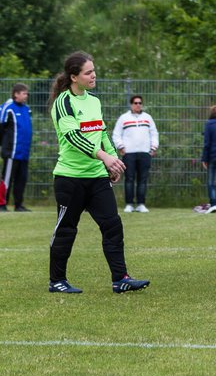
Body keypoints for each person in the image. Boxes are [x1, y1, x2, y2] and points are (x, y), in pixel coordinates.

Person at [47, 51, 149, 294]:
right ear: (74, 77)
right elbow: (73, 137)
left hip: (97, 177)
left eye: (94, 70)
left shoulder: (94, 100)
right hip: (70, 179)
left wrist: (111, 161)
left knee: (112, 225)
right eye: (88, 72)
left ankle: (120, 279)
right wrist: (103, 156)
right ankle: (57, 281)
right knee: (66, 230)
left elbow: (101, 133)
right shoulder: (64, 102)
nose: (94, 75)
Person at [111, 94, 159, 213]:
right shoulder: (124, 118)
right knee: (129, 179)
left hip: (145, 153)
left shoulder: (148, 117)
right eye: (135, 103)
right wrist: (120, 146)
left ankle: (141, 204)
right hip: (129, 154)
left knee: (142, 179)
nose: (138, 105)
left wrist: (153, 147)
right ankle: (129, 204)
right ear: (131, 104)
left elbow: (154, 133)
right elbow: (116, 134)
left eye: (140, 103)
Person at [0, 83, 32, 212]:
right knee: (7, 179)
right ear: (16, 94)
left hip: (24, 153)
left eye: (26, 93)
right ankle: (2, 204)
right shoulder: (8, 108)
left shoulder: (26, 109)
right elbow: (1, 127)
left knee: (21, 179)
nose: (26, 96)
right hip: (11, 153)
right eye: (24, 93)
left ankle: (18, 205)